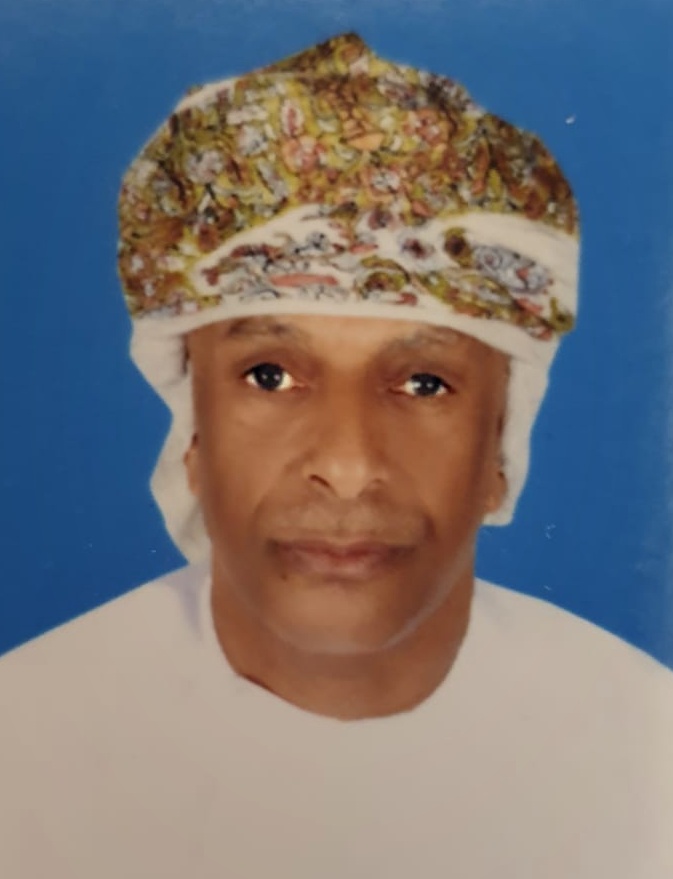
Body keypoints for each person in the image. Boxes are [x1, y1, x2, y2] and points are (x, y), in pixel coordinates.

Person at [1, 32, 672, 878]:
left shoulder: (646, 755)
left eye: (423, 382)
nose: (348, 466)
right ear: (191, 436)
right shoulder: (22, 750)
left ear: (501, 446)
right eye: (270, 375)